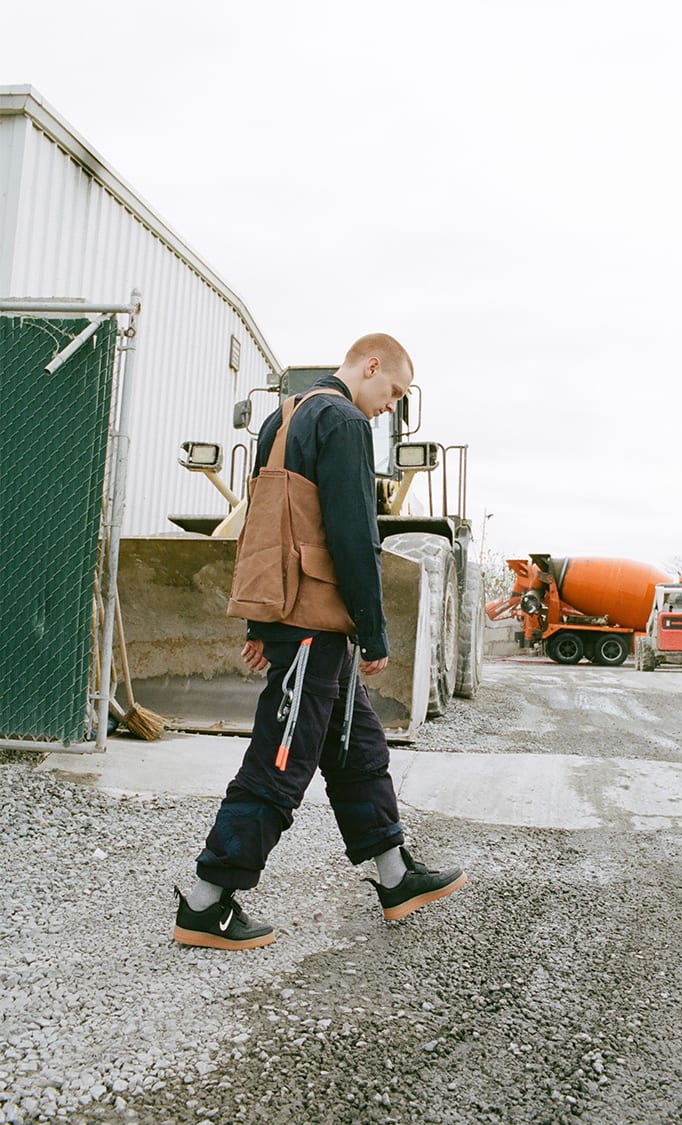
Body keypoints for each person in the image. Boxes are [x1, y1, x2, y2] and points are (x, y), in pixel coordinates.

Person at [173, 333, 467, 950]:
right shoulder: (343, 422)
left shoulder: (284, 417)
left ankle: (395, 877)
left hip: (298, 621)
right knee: (280, 759)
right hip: (316, 627)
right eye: (394, 392)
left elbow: (262, 523)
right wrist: (374, 630)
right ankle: (208, 900)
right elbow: (355, 535)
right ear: (372, 365)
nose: (390, 406)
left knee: (358, 749)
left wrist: (261, 620)